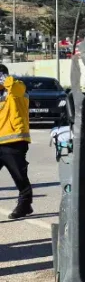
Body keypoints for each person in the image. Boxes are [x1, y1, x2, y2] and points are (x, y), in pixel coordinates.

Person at [0, 67, 32, 220]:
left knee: (19, 177)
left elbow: (14, 87)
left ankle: (25, 204)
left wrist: (5, 79)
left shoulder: (17, 88)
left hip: (14, 142)